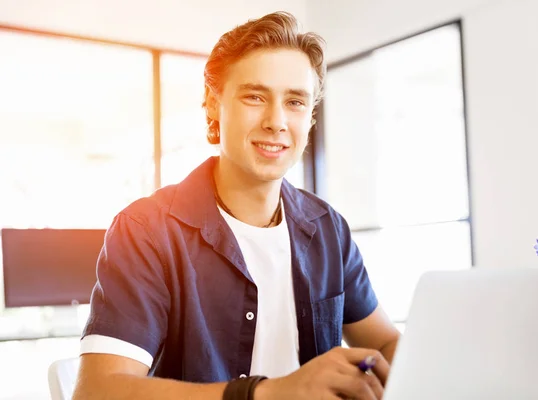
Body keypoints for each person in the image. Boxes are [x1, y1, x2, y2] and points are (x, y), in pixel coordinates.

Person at [72, 10, 400, 400]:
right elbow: (97, 391)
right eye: (255, 97)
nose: (277, 121)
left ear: (310, 118)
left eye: (295, 102)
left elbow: (384, 345)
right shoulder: (147, 230)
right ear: (214, 105)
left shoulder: (329, 228)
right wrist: (266, 394)